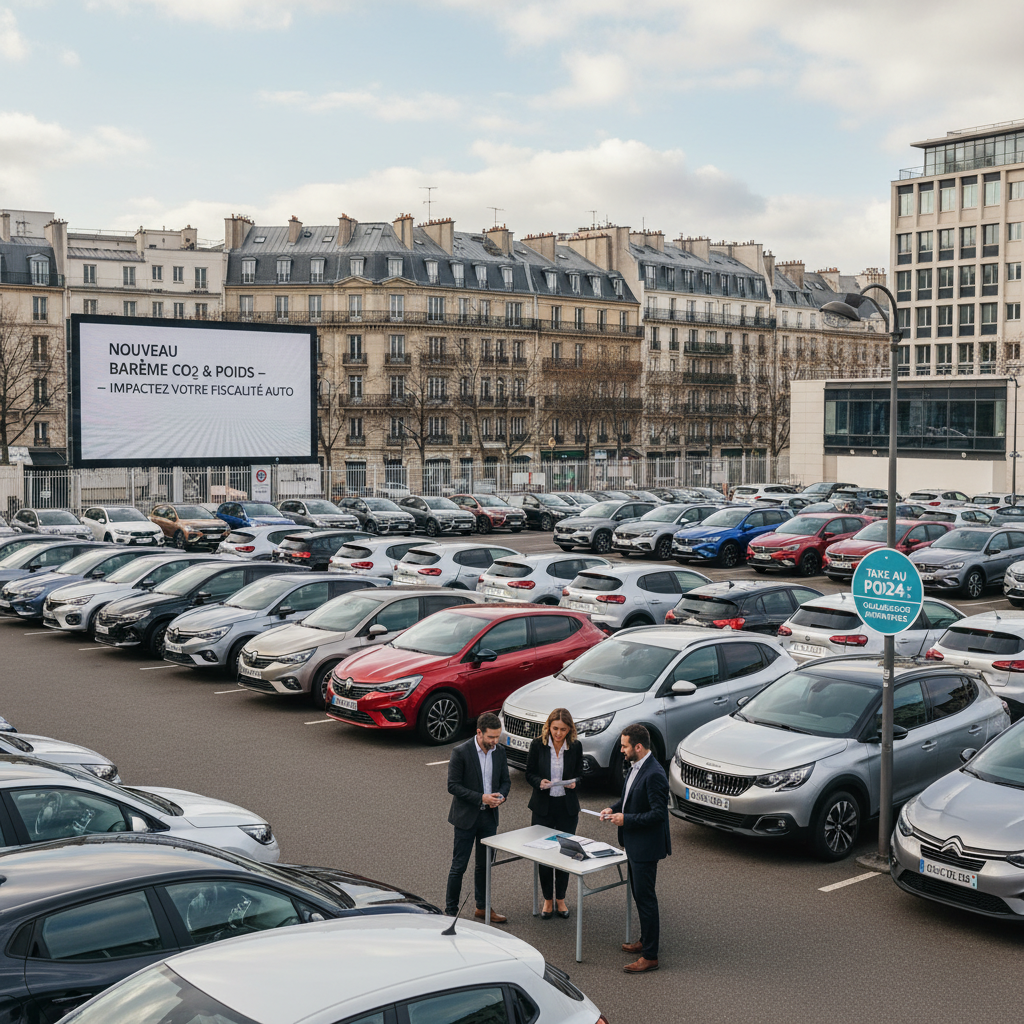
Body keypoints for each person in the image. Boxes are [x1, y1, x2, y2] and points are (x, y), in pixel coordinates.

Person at [600, 723, 671, 974]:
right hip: (634, 844)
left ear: (638, 747)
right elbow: (629, 798)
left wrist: (626, 820)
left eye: (624, 746)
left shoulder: (655, 774)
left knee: (646, 898)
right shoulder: (635, 767)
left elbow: (658, 815)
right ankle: (645, 941)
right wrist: (614, 808)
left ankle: (650, 955)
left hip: (646, 848)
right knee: (640, 896)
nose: (621, 750)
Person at [445, 712, 512, 923]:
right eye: (491, 737)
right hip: (466, 818)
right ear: (479, 732)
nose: (494, 741)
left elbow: (505, 781)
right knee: (459, 866)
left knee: (485, 866)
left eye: (497, 737)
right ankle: (449, 912)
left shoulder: (499, 752)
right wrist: (481, 798)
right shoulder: (461, 752)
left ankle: (483, 908)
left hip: (489, 818)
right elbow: (453, 786)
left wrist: (500, 796)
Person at [525, 707, 583, 919]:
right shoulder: (537, 745)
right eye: (555, 728)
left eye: (563, 730)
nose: (558, 733)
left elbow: (580, 774)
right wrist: (538, 782)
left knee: (565, 853)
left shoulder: (575, 746)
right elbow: (528, 772)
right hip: (543, 807)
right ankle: (548, 900)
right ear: (548, 727)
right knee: (544, 854)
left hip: (566, 808)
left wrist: (575, 783)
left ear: (570, 730)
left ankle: (561, 898)